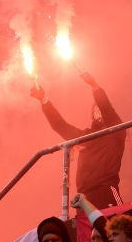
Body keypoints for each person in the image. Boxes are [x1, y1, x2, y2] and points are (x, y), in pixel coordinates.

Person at [31, 71, 125, 207]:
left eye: (100, 108)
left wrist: (95, 86)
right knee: (86, 228)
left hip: (106, 190)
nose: (98, 110)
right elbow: (60, 126)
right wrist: (44, 101)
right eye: (95, 109)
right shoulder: (86, 137)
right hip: (84, 197)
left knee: (117, 227)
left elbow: (107, 109)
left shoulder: (117, 132)